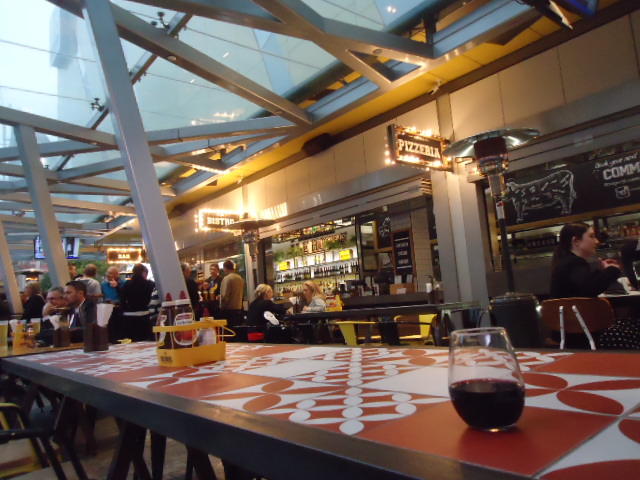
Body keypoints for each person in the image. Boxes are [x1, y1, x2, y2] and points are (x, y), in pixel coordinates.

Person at [550, 223, 620, 298]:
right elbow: (590, 289)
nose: (597, 241)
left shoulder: (567, 261)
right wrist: (611, 270)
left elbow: (583, 286)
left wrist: (603, 270)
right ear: (576, 241)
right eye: (591, 236)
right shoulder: (573, 263)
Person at [120, 264, 155, 341]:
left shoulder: (126, 284)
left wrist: (124, 310)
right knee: (145, 342)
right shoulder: (150, 284)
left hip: (129, 317)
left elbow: (122, 301)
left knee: (131, 342)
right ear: (143, 272)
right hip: (144, 316)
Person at [220, 260, 245, 327]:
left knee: (229, 330)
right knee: (237, 330)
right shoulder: (240, 278)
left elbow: (225, 296)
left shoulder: (227, 279)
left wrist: (221, 306)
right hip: (238, 308)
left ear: (225, 268)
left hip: (229, 310)